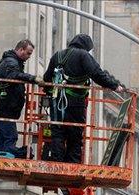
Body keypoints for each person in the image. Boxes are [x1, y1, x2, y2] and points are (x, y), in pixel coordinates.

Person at [43, 33, 125, 164]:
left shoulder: (57, 55)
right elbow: (96, 73)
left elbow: (47, 78)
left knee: (57, 132)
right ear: (86, 46)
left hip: (56, 102)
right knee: (75, 133)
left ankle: (56, 163)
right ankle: (72, 165)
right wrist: (114, 85)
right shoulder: (83, 55)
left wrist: (50, 93)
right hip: (75, 102)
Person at [0, 39, 44, 157]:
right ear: (20, 49)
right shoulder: (11, 62)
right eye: (28, 53)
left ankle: (1, 155)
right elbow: (13, 75)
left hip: (4, 106)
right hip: (5, 107)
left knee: (4, 136)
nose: (29, 56)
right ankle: (11, 155)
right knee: (10, 136)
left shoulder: (12, 61)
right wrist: (33, 78)